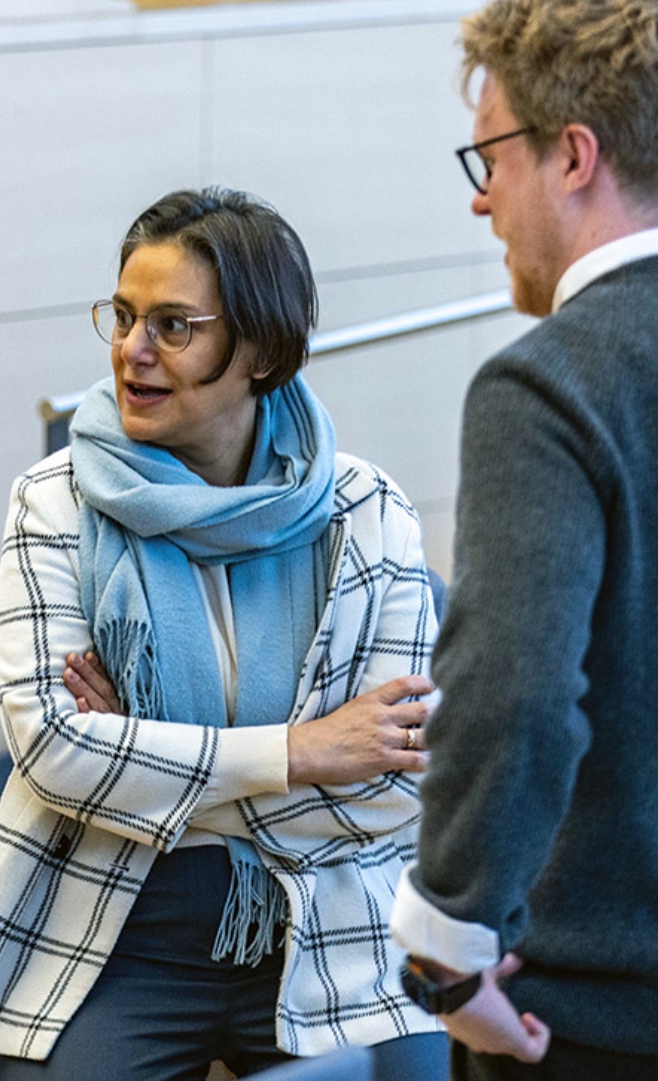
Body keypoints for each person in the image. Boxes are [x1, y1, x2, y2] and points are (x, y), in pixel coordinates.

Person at [0, 188, 447, 1079]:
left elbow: (400, 776)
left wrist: (141, 750)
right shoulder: (55, 503)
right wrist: (302, 749)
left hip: (328, 915)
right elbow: (55, 751)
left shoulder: (367, 512)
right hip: (115, 928)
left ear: (258, 351)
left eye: (174, 326)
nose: (133, 351)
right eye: (125, 316)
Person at [389, 1, 658, 1076]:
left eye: (493, 154)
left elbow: (514, 694)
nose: (480, 193)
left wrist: (446, 954)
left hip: (589, 1021)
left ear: (574, 156)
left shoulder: (546, 386)